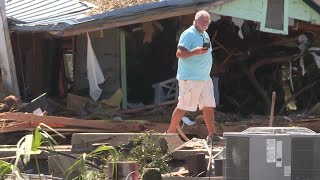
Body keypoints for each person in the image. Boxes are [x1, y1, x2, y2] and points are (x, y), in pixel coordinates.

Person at [166, 10, 221, 144]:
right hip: (190, 77)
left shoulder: (205, 34)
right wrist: (194, 52)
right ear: (196, 21)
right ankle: (170, 134)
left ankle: (212, 135)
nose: (205, 23)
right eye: (203, 21)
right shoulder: (189, 34)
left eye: (207, 21)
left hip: (204, 77)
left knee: (208, 105)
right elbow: (179, 53)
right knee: (183, 106)